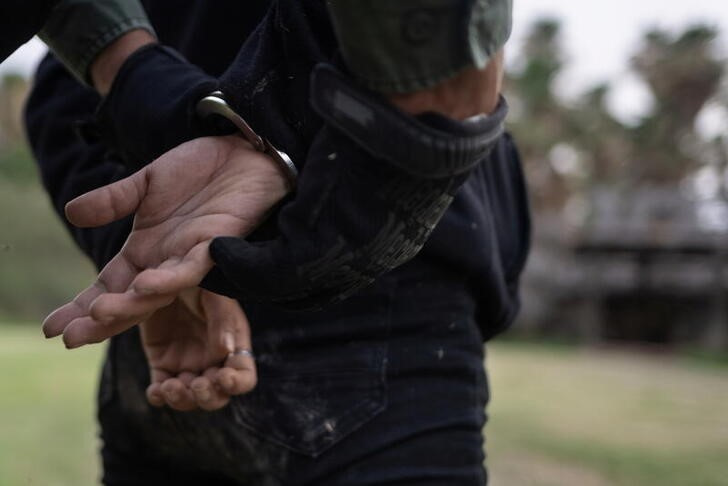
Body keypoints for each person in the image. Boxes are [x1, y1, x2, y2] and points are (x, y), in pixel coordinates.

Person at [26, 0, 529, 484]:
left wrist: (165, 259)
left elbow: (60, 94)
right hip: (379, 322)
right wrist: (175, 260)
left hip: (161, 331)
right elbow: (440, 78)